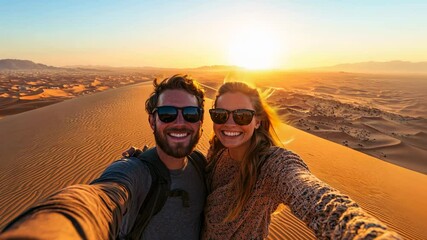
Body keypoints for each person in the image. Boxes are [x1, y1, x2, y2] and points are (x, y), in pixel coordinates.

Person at [0, 74, 207, 240]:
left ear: (200, 121)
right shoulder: (135, 172)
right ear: (152, 121)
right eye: (167, 114)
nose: (180, 122)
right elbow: (101, 199)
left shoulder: (201, 164)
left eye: (190, 113)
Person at [201, 81, 402, 239]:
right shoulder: (217, 149)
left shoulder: (271, 165)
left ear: (257, 120)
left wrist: (361, 232)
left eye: (242, 116)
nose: (229, 123)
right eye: (220, 115)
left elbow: (313, 194)